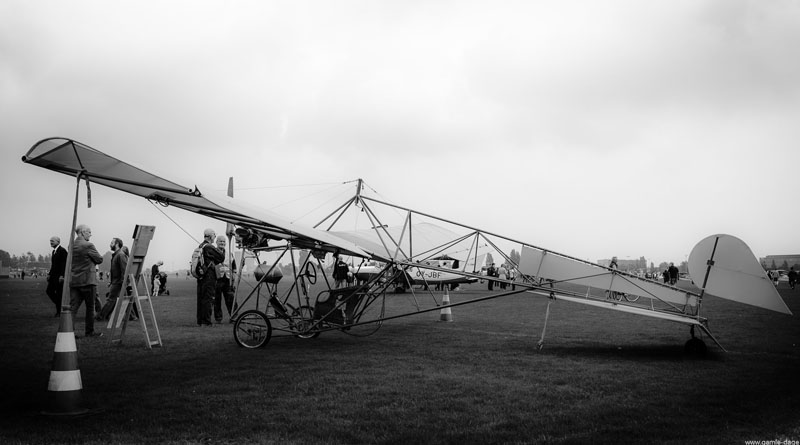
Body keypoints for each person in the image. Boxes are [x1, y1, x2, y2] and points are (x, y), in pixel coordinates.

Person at [69, 224, 104, 337]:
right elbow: (99, 259)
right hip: (88, 281)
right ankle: (89, 332)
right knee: (90, 307)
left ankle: (68, 331)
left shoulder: (71, 245)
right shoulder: (88, 245)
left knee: (73, 308)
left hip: (74, 281)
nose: (90, 234)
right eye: (89, 232)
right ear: (83, 232)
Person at [196, 229, 224, 326]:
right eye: (214, 236)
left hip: (201, 276)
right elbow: (221, 257)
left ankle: (200, 321)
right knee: (208, 298)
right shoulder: (209, 247)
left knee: (201, 298)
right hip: (209, 276)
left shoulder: (200, 246)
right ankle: (206, 322)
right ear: (211, 236)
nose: (214, 238)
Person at [98, 237, 128, 321]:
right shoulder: (116, 255)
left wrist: (123, 282)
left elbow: (124, 270)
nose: (110, 244)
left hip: (118, 282)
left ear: (117, 244)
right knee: (118, 300)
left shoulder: (120, 255)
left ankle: (101, 316)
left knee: (111, 300)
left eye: (112, 243)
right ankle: (131, 316)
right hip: (116, 282)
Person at [213, 236, 237, 323]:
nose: (222, 243)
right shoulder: (212, 252)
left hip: (228, 279)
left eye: (223, 242)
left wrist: (234, 274)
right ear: (216, 242)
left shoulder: (230, 253)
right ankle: (218, 318)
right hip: (217, 279)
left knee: (231, 299)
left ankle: (234, 317)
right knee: (217, 300)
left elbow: (234, 265)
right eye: (220, 241)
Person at [46, 236, 68, 317]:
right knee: (49, 291)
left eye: (52, 241)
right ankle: (60, 306)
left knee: (59, 294)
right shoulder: (54, 252)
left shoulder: (62, 251)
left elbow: (64, 264)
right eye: (50, 241)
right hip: (53, 276)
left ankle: (59, 312)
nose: (51, 242)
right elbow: (53, 265)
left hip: (59, 277)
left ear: (58, 242)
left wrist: (62, 275)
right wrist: (49, 274)